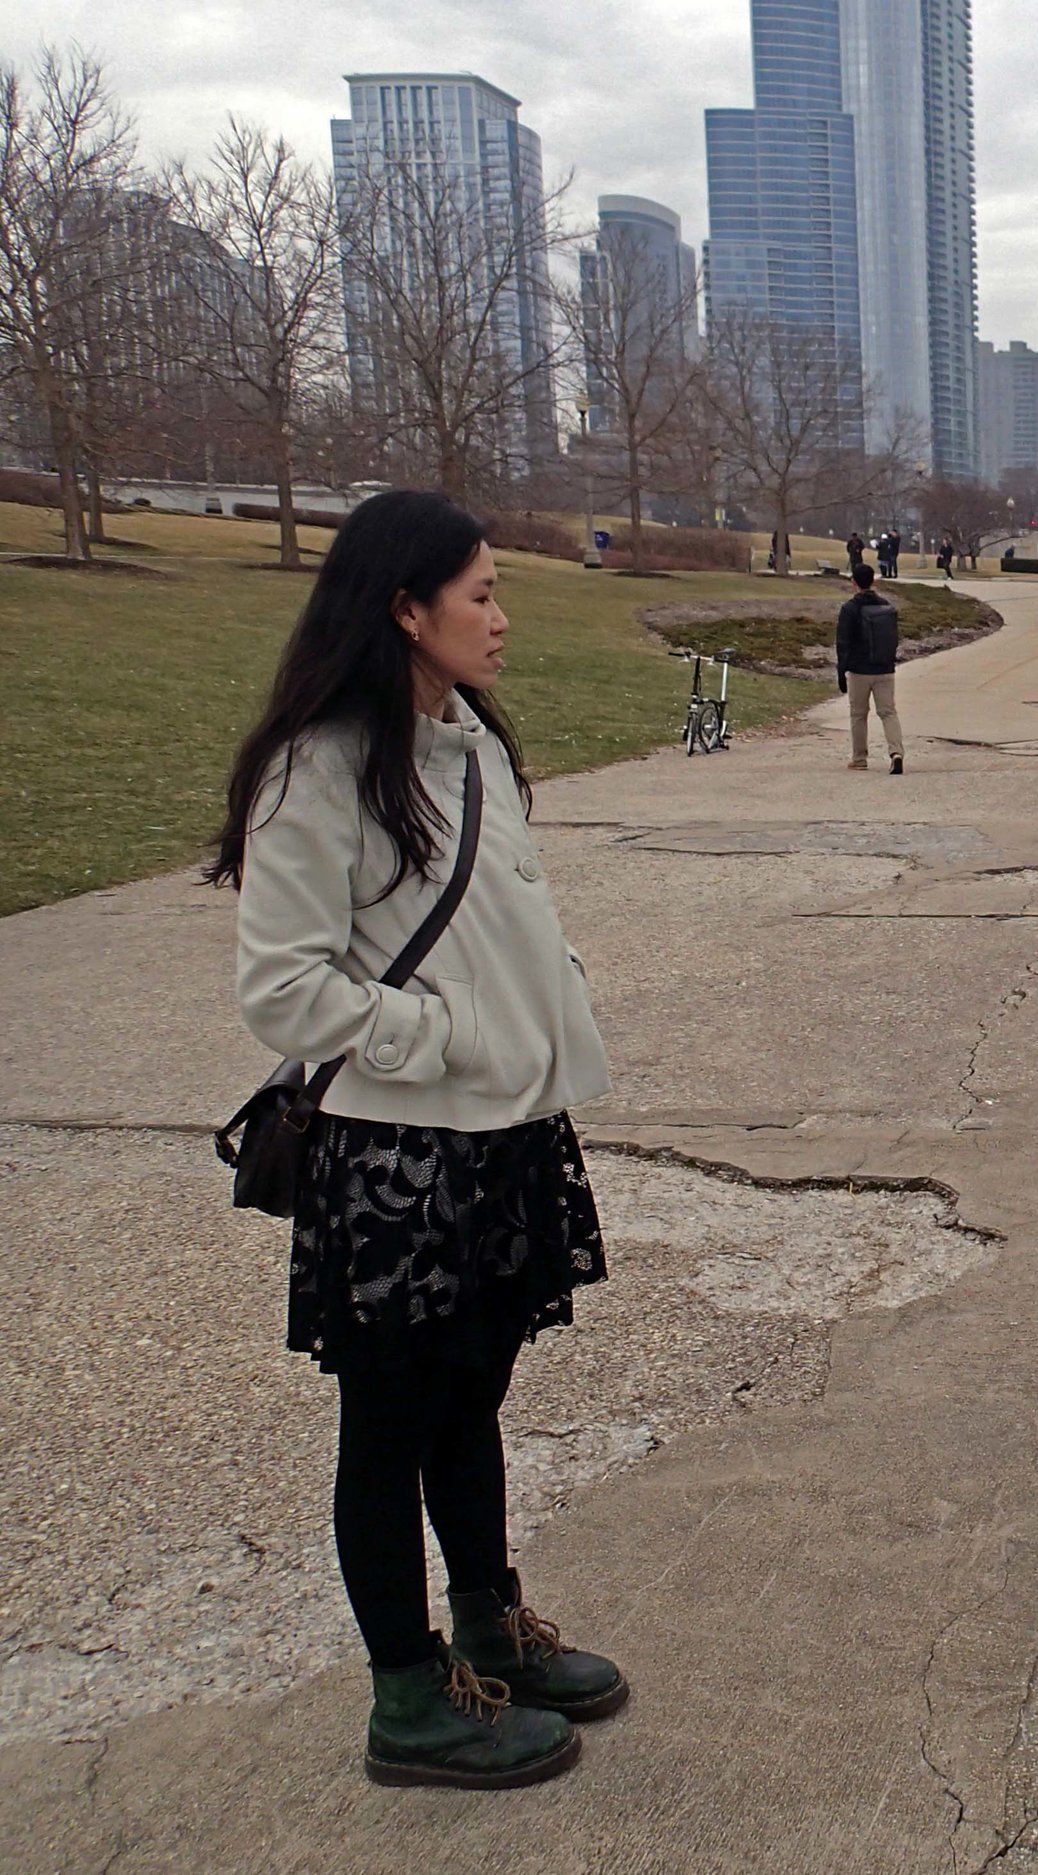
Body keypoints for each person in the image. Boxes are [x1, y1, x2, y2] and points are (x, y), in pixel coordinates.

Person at [209, 490, 626, 1790]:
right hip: (397, 1152)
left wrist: (538, 1015)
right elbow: (281, 987)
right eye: (481, 593)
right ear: (405, 607)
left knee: (473, 1398)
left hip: (505, 1135)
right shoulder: (318, 764)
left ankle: (491, 1623)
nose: (501, 618)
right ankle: (408, 1691)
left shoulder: (471, 745)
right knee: (387, 1427)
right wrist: (435, 1033)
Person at [837, 561, 905, 773]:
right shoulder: (886, 606)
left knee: (858, 714)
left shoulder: (849, 609)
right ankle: (896, 752)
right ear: (873, 581)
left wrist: (841, 670)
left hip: (859, 670)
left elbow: (843, 643)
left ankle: (859, 758)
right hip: (884, 668)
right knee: (888, 712)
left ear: (853, 582)